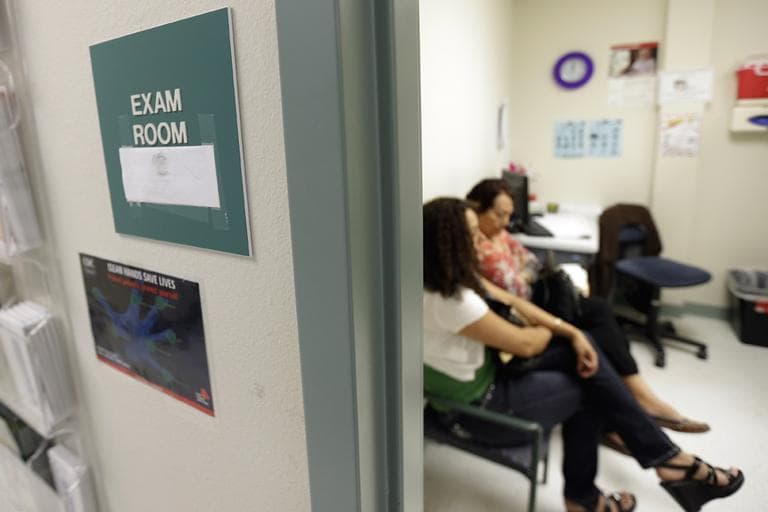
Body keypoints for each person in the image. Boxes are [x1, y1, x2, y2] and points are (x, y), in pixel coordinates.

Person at [423, 197, 744, 511]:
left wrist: (573, 332)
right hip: (473, 411)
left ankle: (660, 461)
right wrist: (556, 331)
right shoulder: (450, 300)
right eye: (472, 235)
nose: (482, 239)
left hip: (491, 371)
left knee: (587, 345)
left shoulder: (452, 275)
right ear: (447, 243)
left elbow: (513, 301)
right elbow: (526, 344)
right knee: (588, 388)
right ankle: (603, 489)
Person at [466, 178, 708, 435]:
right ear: (477, 209)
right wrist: (522, 273)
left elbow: (531, 262)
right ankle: (637, 406)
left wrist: (521, 272)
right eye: (498, 215)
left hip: (535, 301)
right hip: (525, 315)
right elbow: (516, 288)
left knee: (601, 313)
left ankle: (635, 402)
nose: (505, 223)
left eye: (508, 215)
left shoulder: (499, 234)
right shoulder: (476, 246)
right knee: (594, 334)